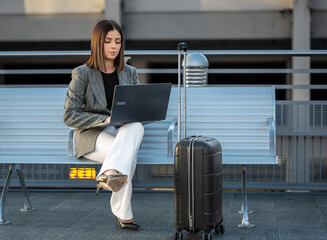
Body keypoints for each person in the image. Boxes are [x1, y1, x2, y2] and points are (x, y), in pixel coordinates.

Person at [63, 19, 144, 230]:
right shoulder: (82, 73)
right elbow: (69, 115)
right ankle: (123, 214)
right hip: (93, 135)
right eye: (108, 41)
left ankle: (108, 174)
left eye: (118, 41)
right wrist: (104, 120)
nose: (114, 46)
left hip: (122, 133)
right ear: (98, 43)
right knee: (128, 157)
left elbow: (137, 108)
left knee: (137, 126)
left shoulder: (129, 72)